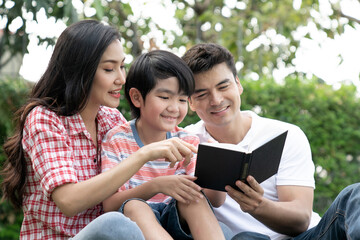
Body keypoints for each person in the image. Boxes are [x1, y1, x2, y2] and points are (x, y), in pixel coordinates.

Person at [0, 20, 197, 240]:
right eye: (109, 69)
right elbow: (69, 201)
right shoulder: (45, 119)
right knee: (116, 224)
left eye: (122, 66)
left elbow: (162, 133)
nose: (121, 79)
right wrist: (144, 155)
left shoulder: (110, 119)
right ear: (81, 70)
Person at [182, 43, 360, 240]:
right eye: (202, 94)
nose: (216, 100)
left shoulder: (285, 134)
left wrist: (258, 205)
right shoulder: (184, 144)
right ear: (190, 102)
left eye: (223, 86)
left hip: (310, 237)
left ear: (238, 85)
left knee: (355, 195)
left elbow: (301, 220)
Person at [101, 50, 231, 240]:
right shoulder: (117, 139)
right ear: (137, 98)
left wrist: (219, 170)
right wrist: (157, 186)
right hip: (137, 224)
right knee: (135, 205)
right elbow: (110, 205)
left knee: (194, 197)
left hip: (177, 220)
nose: (174, 108)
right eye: (164, 97)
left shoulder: (187, 140)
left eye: (181, 99)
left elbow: (215, 201)